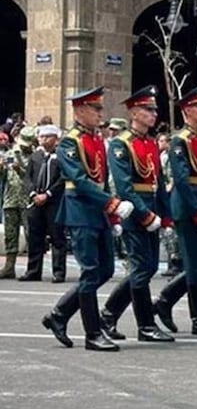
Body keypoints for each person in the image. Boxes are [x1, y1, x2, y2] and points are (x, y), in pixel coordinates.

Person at [41, 87, 135, 351]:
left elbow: (102, 180)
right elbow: (80, 180)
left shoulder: (95, 139)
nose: (100, 114)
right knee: (91, 271)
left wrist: (112, 216)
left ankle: (59, 315)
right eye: (96, 109)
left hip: (99, 212)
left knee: (104, 269)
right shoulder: (70, 141)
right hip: (81, 210)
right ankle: (92, 333)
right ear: (80, 110)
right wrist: (113, 204)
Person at [94, 87, 175, 343]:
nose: (153, 114)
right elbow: (125, 185)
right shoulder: (121, 144)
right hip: (135, 211)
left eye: (154, 109)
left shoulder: (149, 142)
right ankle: (144, 325)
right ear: (134, 113)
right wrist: (146, 215)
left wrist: (166, 214)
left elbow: (158, 182)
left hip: (151, 207)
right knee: (143, 267)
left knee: (147, 267)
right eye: (148, 109)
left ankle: (109, 315)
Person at [153, 86, 197, 336]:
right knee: (195, 264)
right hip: (188, 207)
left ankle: (165, 301)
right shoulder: (181, 140)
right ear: (188, 111)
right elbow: (181, 179)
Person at [22, 125, 66, 282]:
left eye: (47, 137)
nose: (43, 140)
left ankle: (58, 272)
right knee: (35, 236)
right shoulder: (35, 156)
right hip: (36, 200)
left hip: (53, 200)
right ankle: (33, 270)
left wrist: (48, 194)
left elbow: (63, 178)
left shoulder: (61, 156)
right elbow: (27, 178)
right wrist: (33, 193)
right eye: (41, 137)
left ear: (55, 139)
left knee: (57, 236)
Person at [0, 128, 33, 278]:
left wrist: (19, 169)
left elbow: (30, 176)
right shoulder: (11, 154)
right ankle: (9, 266)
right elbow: (4, 175)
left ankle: (33, 267)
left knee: (30, 233)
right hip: (11, 199)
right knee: (10, 233)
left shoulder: (34, 157)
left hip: (27, 200)